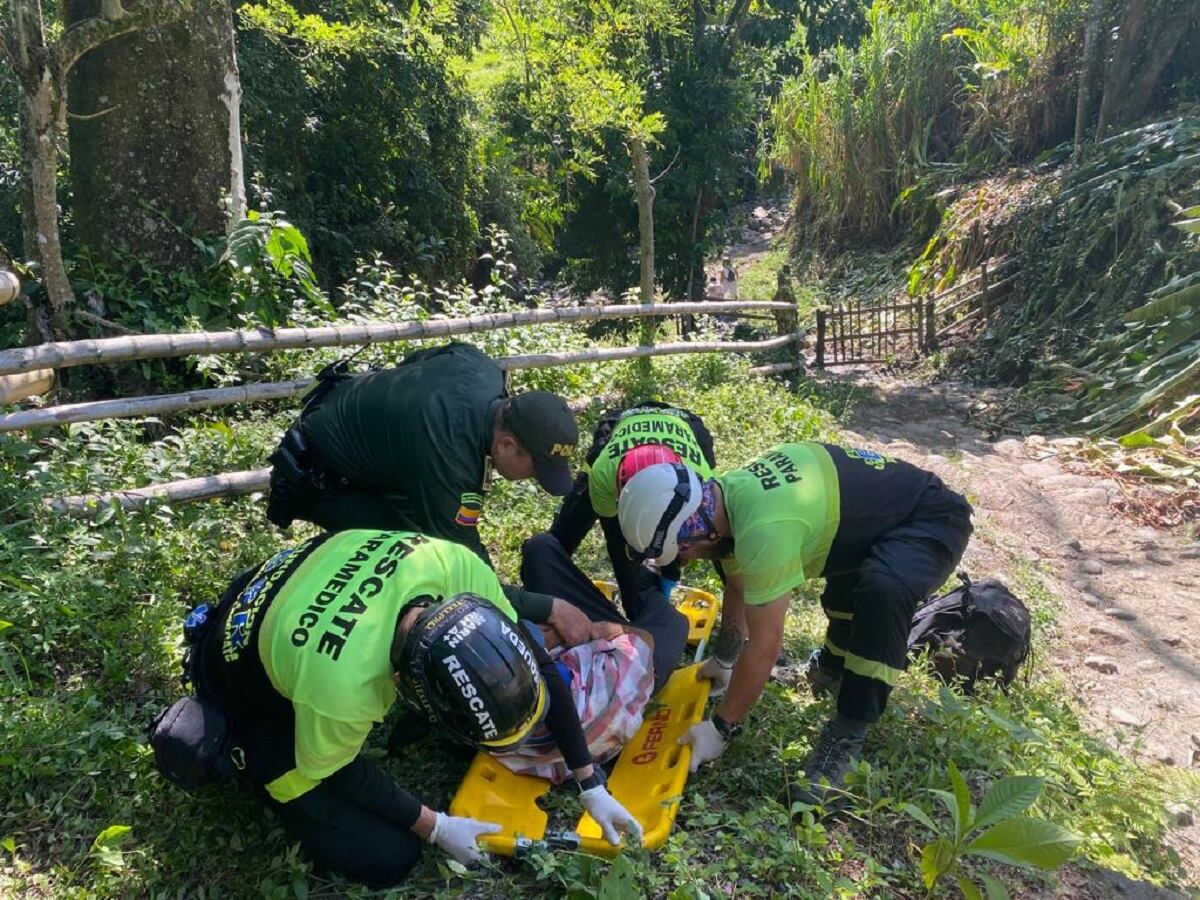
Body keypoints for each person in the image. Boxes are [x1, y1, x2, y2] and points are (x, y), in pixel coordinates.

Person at [190, 529, 642, 887]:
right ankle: (243, 753)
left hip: (294, 584)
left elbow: (539, 664)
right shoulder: (341, 685)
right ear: (403, 688)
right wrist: (436, 827)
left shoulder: (455, 565)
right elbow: (337, 769)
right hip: (236, 660)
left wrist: (589, 781)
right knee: (389, 857)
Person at [617, 444, 973, 806]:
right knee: (845, 595)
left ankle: (847, 734)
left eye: (682, 552)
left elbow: (765, 645)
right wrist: (724, 659)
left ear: (699, 530)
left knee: (883, 590)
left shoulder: (763, 530)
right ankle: (830, 669)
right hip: (879, 520)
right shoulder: (724, 501)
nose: (686, 561)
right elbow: (740, 587)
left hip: (934, 519)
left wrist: (722, 728)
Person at [266, 341, 579, 566]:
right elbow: (464, 561)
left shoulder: (481, 368)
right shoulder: (449, 459)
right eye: (535, 470)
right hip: (316, 474)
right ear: (506, 444)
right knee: (417, 558)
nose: (534, 478)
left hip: (336, 417)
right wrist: (539, 609)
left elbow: (415, 361)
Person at [488, 531, 692, 781]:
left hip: (573, 647)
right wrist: (600, 630)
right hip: (607, 655)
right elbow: (639, 644)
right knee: (673, 621)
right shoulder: (591, 701)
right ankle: (649, 586)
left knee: (540, 548)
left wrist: (553, 616)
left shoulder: (487, 689)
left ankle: (644, 586)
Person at [548, 401, 717, 622]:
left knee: (691, 534)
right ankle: (544, 588)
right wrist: (635, 603)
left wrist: (669, 572)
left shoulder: (702, 480)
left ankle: (660, 597)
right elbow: (619, 542)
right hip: (622, 424)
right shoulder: (604, 473)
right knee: (561, 536)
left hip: (685, 424)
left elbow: (695, 537)